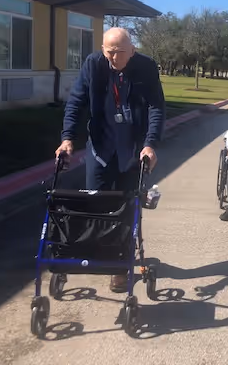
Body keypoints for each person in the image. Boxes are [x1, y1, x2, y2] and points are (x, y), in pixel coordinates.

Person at [55, 27, 166, 292]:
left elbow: (156, 106)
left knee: (127, 208)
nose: (113, 57)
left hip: (133, 148)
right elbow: (76, 102)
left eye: (119, 52)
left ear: (132, 50)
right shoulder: (94, 64)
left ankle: (119, 266)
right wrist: (68, 138)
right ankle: (99, 255)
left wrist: (150, 144)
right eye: (109, 51)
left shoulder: (146, 67)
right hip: (101, 147)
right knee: (96, 203)